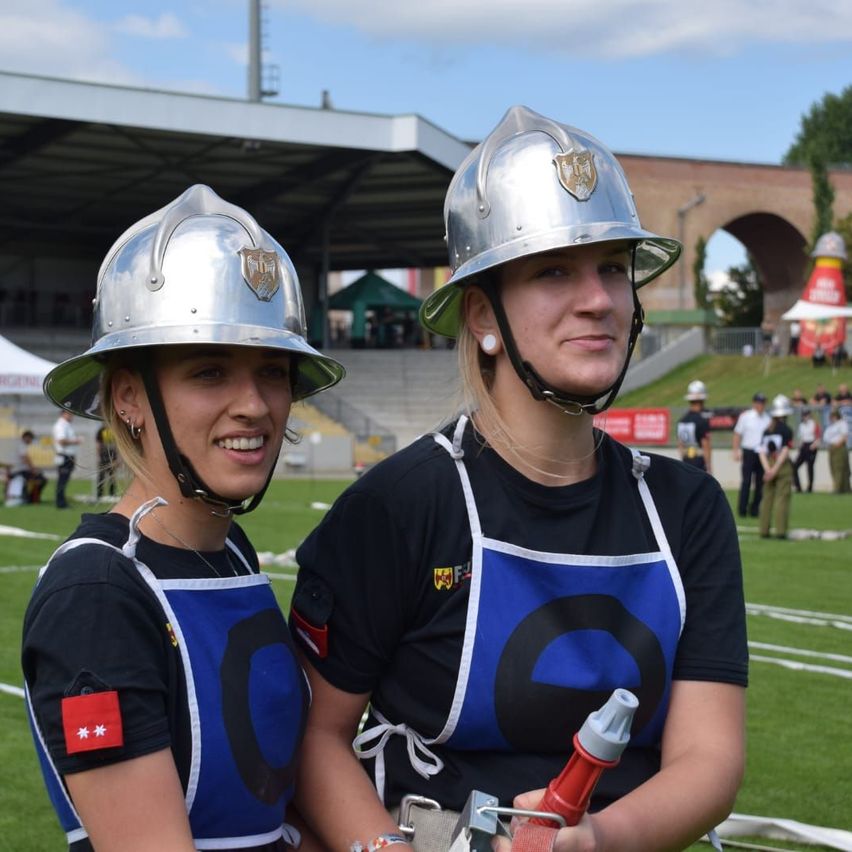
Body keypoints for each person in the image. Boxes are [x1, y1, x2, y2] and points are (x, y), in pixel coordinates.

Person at [290, 106, 747, 852]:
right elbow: (314, 737)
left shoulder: (688, 508)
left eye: (611, 268)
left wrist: (598, 839)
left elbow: (710, 758)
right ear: (482, 316)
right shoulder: (399, 506)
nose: (597, 299)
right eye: (554, 271)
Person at [22, 185, 344, 852]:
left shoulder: (232, 552)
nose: (254, 405)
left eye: (273, 372)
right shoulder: (97, 595)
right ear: (130, 397)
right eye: (209, 372)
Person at [758, 395, 794, 539]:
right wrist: (775, 470)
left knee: (766, 499)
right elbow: (785, 451)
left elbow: (761, 451)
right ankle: (780, 531)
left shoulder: (767, 430)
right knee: (782, 499)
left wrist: (768, 469)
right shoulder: (786, 430)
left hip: (769, 464)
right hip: (781, 465)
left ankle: (764, 530)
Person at [732, 392, 771, 518]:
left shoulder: (767, 419)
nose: (760, 405)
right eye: (758, 403)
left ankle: (754, 509)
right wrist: (736, 450)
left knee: (760, 483)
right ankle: (742, 509)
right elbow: (737, 434)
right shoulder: (746, 417)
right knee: (746, 481)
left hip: (762, 453)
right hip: (748, 451)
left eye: (763, 403)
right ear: (754, 403)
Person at [677, 380, 712, 473]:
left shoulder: (682, 420)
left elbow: (680, 443)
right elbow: (705, 444)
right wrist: (709, 467)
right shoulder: (701, 420)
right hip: (699, 460)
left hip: (686, 459)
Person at [7, 430, 48, 505]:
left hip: (20, 470)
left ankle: (30, 497)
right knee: (41, 479)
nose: (31, 441)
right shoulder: (21, 445)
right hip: (18, 471)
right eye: (31, 439)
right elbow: (25, 459)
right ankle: (31, 498)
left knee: (38, 478)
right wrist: (33, 469)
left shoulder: (21, 445)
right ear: (26, 437)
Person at [52, 410, 81, 508]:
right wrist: (75, 441)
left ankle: (62, 501)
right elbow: (61, 441)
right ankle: (60, 503)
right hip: (64, 456)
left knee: (64, 480)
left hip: (68, 456)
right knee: (62, 480)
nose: (72, 416)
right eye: (70, 414)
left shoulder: (66, 425)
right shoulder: (61, 425)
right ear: (64, 414)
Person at [792, 407, 820, 493]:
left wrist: (814, 445)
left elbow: (818, 437)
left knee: (810, 467)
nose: (805, 417)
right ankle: (798, 487)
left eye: (806, 415)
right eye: (804, 415)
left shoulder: (814, 424)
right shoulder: (801, 425)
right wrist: (799, 447)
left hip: (811, 446)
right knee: (795, 466)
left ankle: (810, 488)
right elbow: (801, 438)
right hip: (804, 446)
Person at [823, 408, 851, 493]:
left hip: (839, 447)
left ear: (835, 416)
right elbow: (826, 437)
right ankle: (841, 487)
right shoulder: (831, 426)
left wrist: (837, 444)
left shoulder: (842, 424)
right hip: (831, 448)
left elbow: (844, 436)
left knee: (839, 468)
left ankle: (838, 488)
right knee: (833, 468)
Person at [95, 423, 118, 500]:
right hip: (103, 457)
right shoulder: (101, 430)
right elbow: (98, 444)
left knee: (112, 477)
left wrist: (117, 459)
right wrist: (98, 457)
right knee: (101, 477)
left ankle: (112, 494)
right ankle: (99, 495)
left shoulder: (114, 431)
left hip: (112, 458)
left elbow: (117, 445)